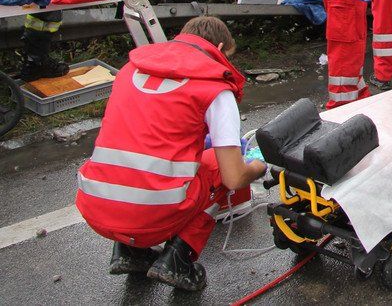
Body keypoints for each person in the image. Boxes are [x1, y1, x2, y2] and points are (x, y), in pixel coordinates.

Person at [75, 16, 266, 292]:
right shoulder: (214, 88)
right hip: (152, 217)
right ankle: (180, 258)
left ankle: (131, 252)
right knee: (218, 167)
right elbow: (234, 177)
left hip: (96, 207)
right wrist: (258, 166)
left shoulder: (130, 70)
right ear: (219, 48)